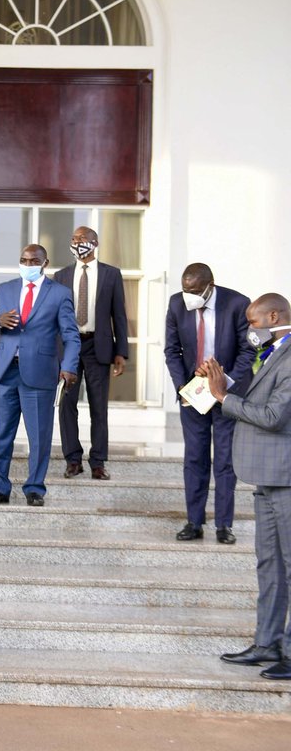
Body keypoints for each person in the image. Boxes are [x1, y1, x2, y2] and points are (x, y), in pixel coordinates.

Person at [208, 294, 291, 680]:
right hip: (266, 475)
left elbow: (273, 416)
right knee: (269, 565)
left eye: (253, 322)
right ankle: (267, 642)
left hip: (285, 476)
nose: (249, 329)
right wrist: (220, 384)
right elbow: (259, 399)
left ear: (274, 316)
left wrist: (224, 398)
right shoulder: (274, 353)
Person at [0, 244, 80, 507]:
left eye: (34, 261)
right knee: (0, 433)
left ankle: (34, 488)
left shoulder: (60, 294)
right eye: (24, 260)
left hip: (40, 374)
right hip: (5, 372)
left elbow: (71, 335)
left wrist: (69, 367)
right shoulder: (5, 289)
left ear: (45, 263)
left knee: (39, 436)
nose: (28, 264)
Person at [163, 263, 254, 544]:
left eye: (194, 291)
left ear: (209, 286)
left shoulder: (238, 304)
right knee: (194, 457)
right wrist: (183, 387)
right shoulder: (176, 304)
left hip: (227, 392)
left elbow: (247, 351)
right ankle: (194, 522)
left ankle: (224, 525)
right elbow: (172, 350)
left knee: (225, 460)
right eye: (185, 290)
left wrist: (223, 383)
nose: (188, 296)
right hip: (193, 393)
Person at [53, 226, 129, 480]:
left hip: (99, 346)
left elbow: (119, 315)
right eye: (73, 238)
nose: (77, 242)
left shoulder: (111, 274)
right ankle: (72, 460)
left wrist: (121, 352)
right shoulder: (61, 275)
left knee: (99, 406)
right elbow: (54, 315)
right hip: (69, 347)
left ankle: (98, 462)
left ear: (94, 243)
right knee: (67, 405)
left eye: (82, 238)